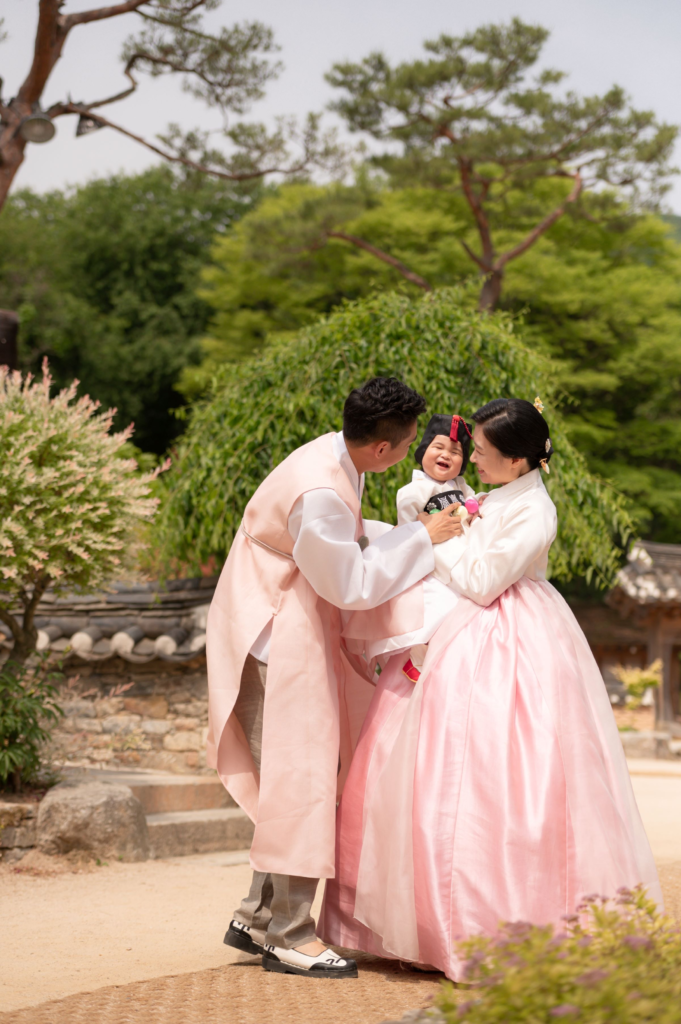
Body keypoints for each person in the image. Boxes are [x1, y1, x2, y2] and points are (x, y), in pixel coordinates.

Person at [319, 397, 662, 980]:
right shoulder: (497, 496)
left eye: (482, 451)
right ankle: (416, 923)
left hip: (507, 639)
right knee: (410, 774)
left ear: (520, 460)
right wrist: (445, 527)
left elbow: (481, 581)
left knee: (497, 783)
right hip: (460, 634)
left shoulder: (535, 513)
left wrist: (437, 537)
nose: (470, 456)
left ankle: (490, 925)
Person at [205, 377, 463, 979]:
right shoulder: (321, 490)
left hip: (280, 617)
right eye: (406, 444)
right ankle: (289, 934)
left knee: (297, 778)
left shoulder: (334, 451)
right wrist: (422, 536)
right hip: (277, 631)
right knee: (305, 778)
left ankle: (257, 911)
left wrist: (400, 535)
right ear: (383, 447)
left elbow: (341, 549)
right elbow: (348, 582)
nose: (410, 453)